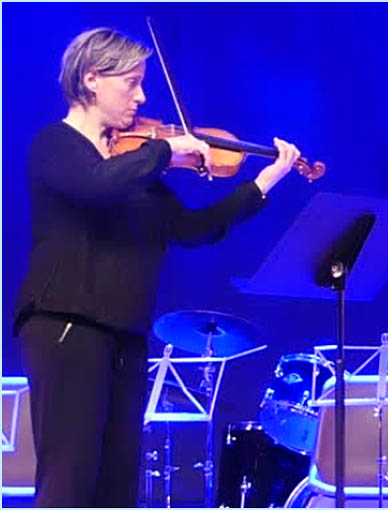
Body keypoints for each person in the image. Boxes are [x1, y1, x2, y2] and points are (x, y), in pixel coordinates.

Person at [13, 27, 303, 507]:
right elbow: (97, 184)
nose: (142, 97)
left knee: (117, 485)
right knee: (70, 477)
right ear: (91, 80)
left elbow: (191, 229)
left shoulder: (136, 167)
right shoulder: (56, 145)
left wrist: (263, 184)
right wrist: (165, 149)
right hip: (67, 325)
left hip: (125, 333)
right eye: (131, 83)